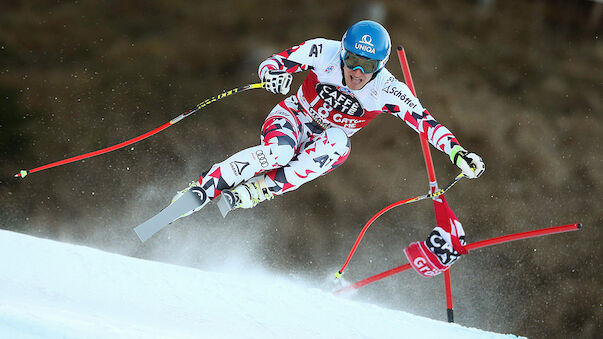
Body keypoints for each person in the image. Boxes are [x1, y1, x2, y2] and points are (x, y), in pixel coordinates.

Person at [174, 20, 485, 273]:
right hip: (293, 117)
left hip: (324, 140)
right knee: (279, 152)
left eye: (367, 65)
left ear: (381, 66)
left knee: (339, 143)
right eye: (351, 60)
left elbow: (426, 123)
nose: (357, 72)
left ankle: (261, 189)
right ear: (343, 53)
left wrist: (458, 153)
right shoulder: (324, 51)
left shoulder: (388, 89)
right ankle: (207, 185)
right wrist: (273, 76)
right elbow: (274, 62)